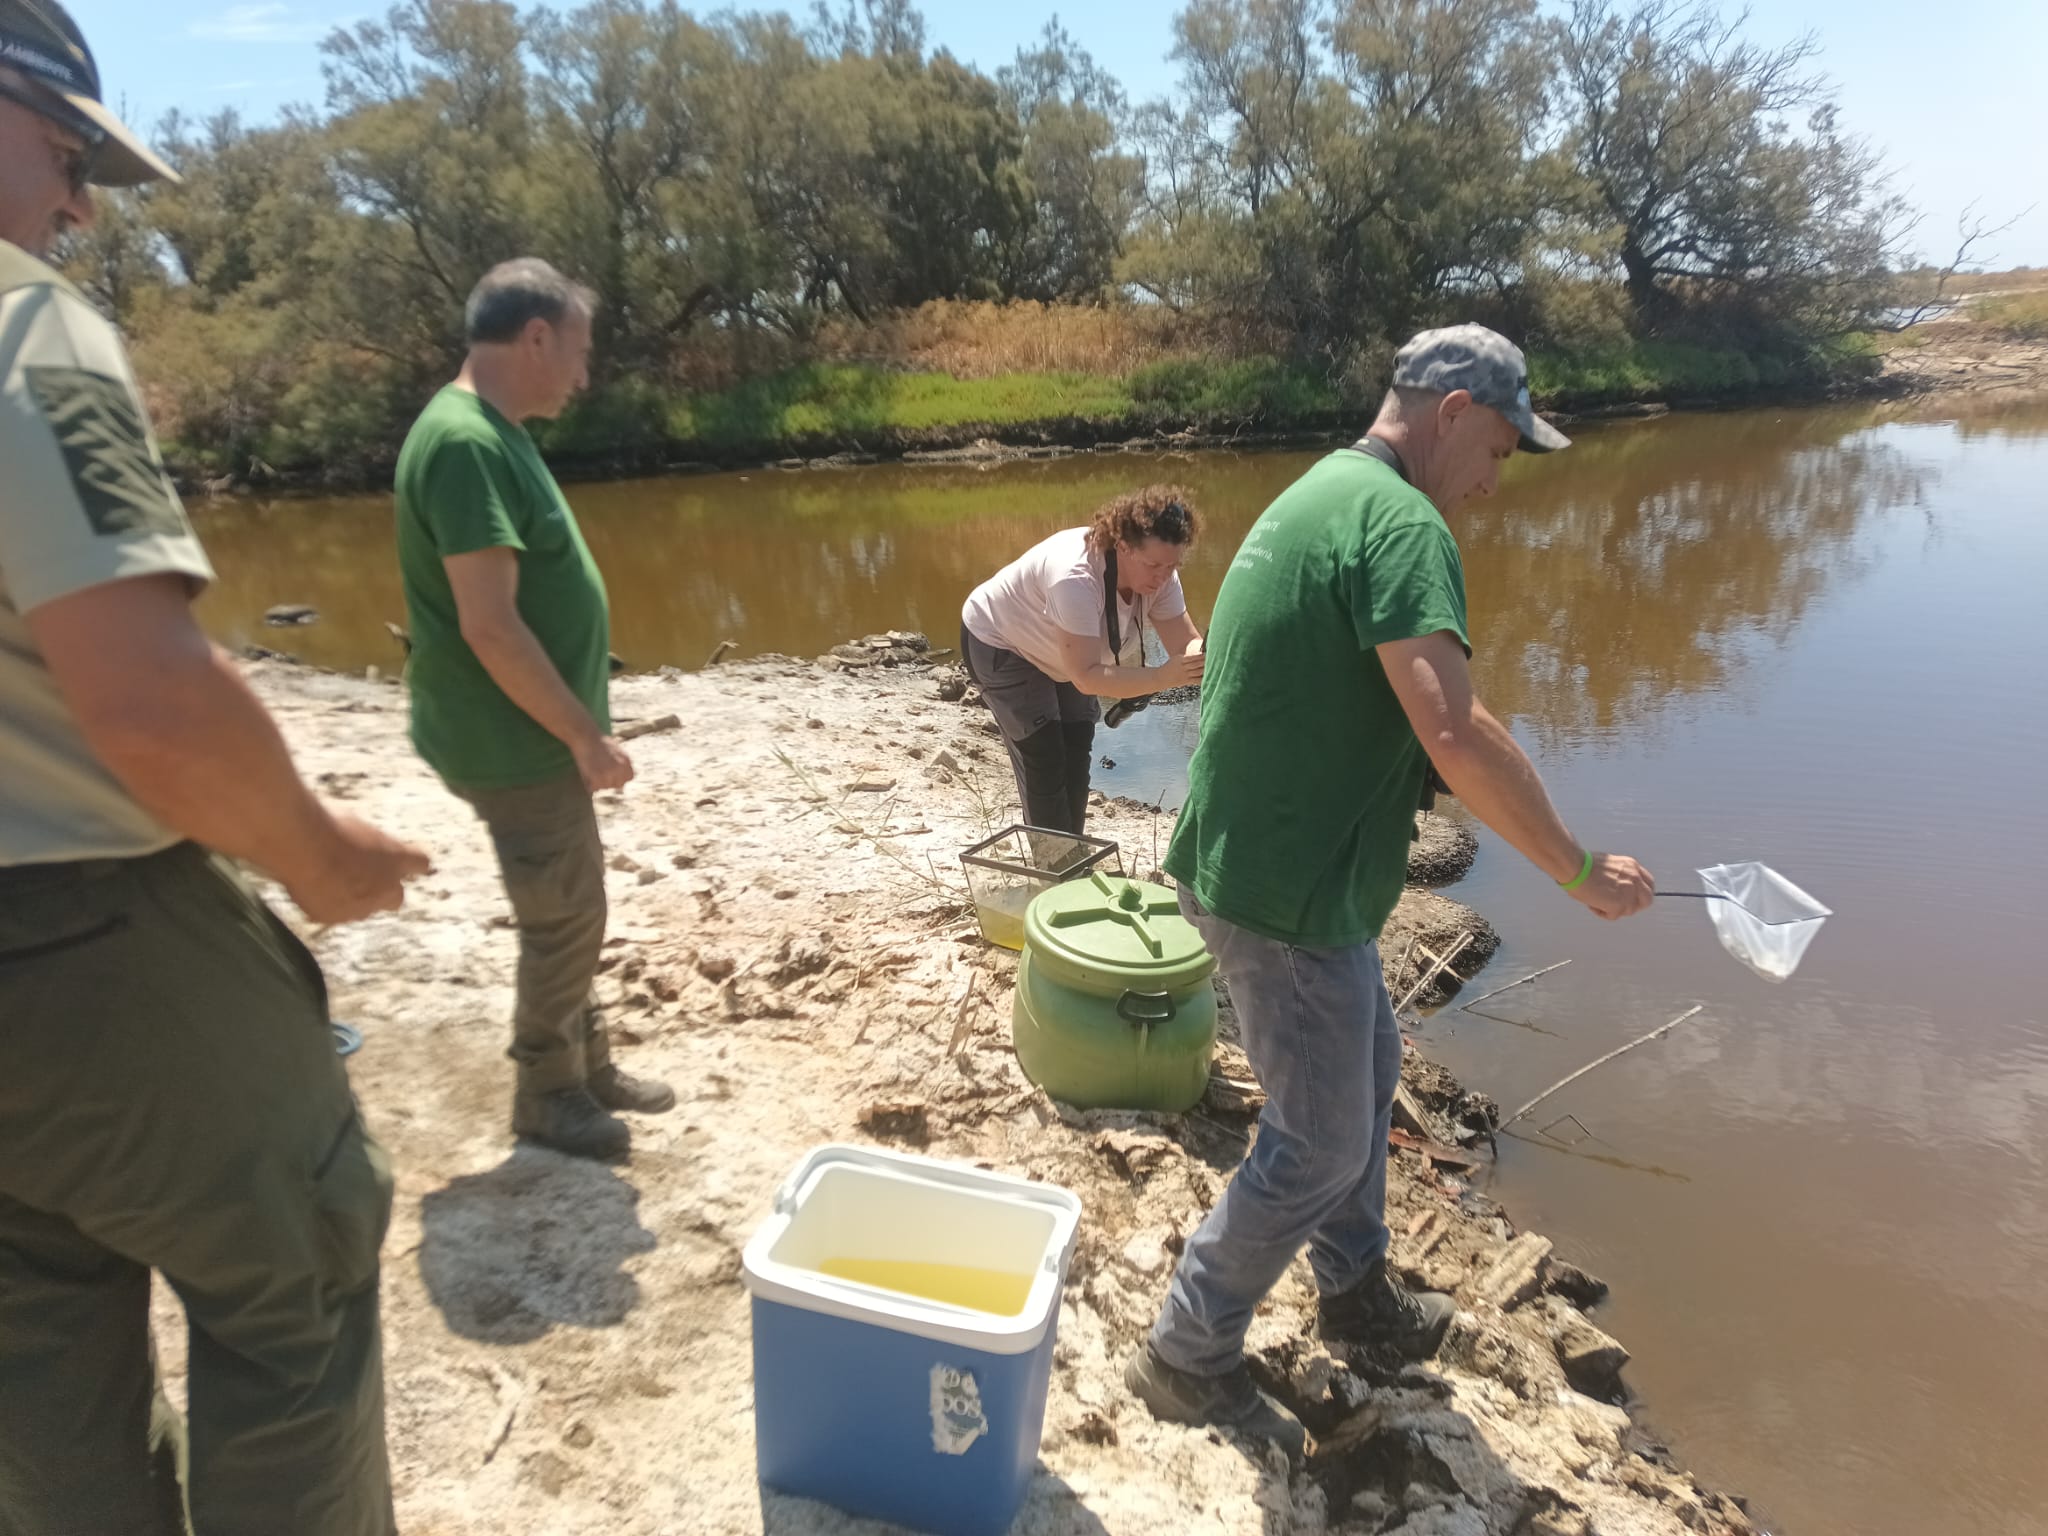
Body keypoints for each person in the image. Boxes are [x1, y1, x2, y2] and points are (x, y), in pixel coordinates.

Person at [0, 3, 432, 1530]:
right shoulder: (28, 323)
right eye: (68, 155)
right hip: (86, 943)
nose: (79, 207)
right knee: (295, 1275)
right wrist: (319, 857)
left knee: (35, 1343)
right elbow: (156, 706)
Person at [1126, 325, 1658, 1459]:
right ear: (1454, 409)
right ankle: (1184, 1351)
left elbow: (1406, 705)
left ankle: (1357, 1292)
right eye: (1499, 450)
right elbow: (1453, 731)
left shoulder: (1324, 493)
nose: (1493, 481)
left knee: (1366, 1076)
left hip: (1270, 864)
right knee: (1317, 1141)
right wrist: (1574, 869)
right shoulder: (1404, 523)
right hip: (1285, 891)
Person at [395, 257, 673, 1163]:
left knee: (572, 908)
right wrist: (583, 735)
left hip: (528, 734)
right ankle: (548, 1094)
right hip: (512, 741)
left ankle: (586, 1066)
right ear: (538, 337)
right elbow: (490, 626)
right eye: (580, 353)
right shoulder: (465, 444)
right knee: (563, 916)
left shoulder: (492, 431)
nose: (584, 377)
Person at [959, 486, 1206, 835]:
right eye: (1153, 565)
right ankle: (1054, 863)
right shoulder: (1075, 576)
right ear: (1123, 545)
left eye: (1173, 566)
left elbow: (1185, 645)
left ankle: (1072, 849)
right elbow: (1088, 677)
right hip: (1002, 642)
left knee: (1077, 745)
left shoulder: (1160, 576)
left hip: (1065, 654)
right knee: (1044, 754)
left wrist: (1212, 652)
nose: (1163, 577)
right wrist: (1163, 677)